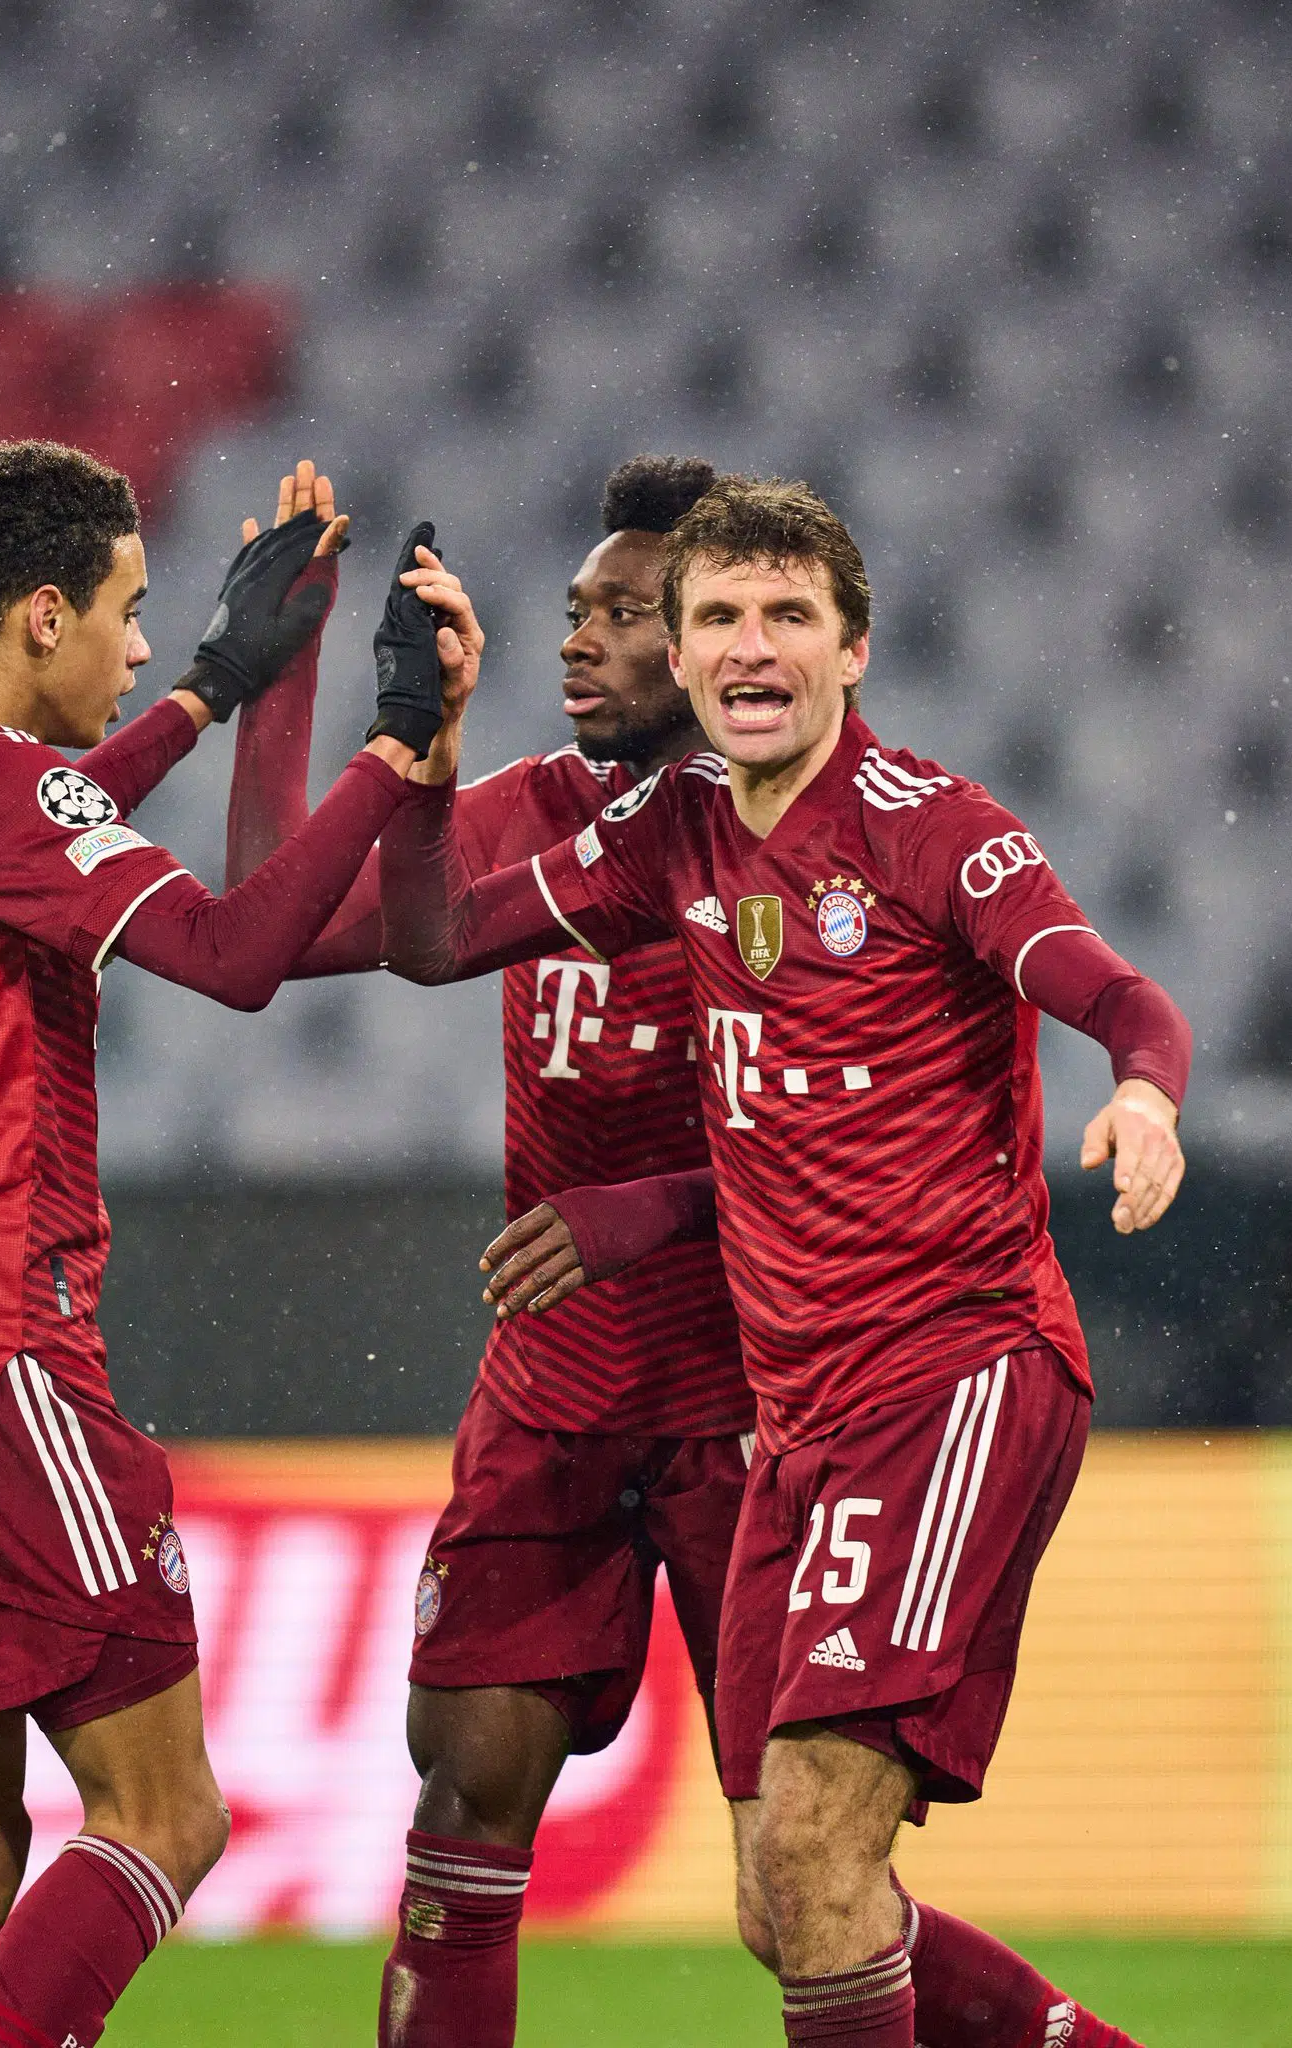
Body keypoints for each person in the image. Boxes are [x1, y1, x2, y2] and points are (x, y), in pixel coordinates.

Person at [376, 474, 1189, 2048]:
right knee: (787, 1896)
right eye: (720, 619)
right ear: (682, 657)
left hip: (952, 1374)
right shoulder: (669, 829)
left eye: (788, 617)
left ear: (851, 649)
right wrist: (423, 755)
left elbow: (1115, 993)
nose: (752, 648)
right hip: (798, 1425)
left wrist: (1144, 1094)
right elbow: (432, 941)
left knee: (814, 1846)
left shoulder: (932, 831)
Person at [0, 438, 449, 2048]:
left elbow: (31, 820)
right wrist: (391, 747)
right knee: (164, 1815)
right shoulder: (6, 802)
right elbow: (230, 952)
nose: (141, 646)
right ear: (44, 614)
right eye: (132, 616)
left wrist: (215, 686)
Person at [224, 456, 756, 2048]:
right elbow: (263, 919)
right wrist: (292, 675)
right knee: (457, 1817)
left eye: (624, 614)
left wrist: (643, 1208)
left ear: (716, 643)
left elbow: (858, 1147)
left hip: (752, 1402)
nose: (577, 638)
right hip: (551, 1401)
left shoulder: (792, 847)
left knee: (804, 1879)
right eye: (576, 609)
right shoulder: (528, 809)